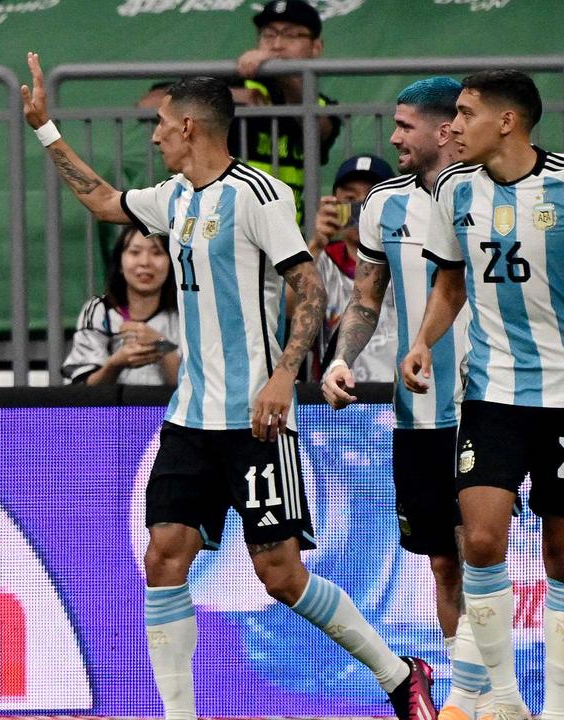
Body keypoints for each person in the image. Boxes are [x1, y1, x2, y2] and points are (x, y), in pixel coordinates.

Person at [21, 52, 436, 720]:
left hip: (256, 419)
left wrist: (280, 376)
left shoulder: (258, 194)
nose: (152, 137)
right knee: (164, 558)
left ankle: (396, 674)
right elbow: (102, 200)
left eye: (161, 124)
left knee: (280, 577)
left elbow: (305, 287)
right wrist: (45, 128)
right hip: (191, 419)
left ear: (191, 127)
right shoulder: (173, 198)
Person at [323, 77, 494, 720]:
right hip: (417, 410)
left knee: (486, 552)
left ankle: (493, 693)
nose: (392, 137)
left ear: (443, 126)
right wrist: (342, 357)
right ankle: (463, 695)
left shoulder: (496, 190)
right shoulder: (383, 207)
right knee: (444, 562)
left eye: (403, 126)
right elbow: (367, 297)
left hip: (494, 404)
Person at [401, 69, 564, 720]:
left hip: (562, 396)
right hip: (492, 394)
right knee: (483, 541)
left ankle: (556, 705)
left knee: (560, 554)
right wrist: (421, 342)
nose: (453, 127)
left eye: (465, 114)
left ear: (508, 121)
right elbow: (451, 284)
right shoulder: (455, 192)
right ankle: (501, 701)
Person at [234, 0, 341, 221]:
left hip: (291, 233)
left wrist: (278, 67)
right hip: (234, 227)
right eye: (268, 35)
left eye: (291, 35)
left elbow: (320, 130)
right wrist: (228, 97)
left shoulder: (320, 105)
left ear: (316, 47)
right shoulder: (234, 84)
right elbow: (151, 103)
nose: (277, 44)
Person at [308, 154, 398, 380]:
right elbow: (289, 309)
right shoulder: (325, 259)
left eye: (371, 199)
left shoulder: (406, 260)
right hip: (336, 399)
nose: (361, 210)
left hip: (397, 397)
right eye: (350, 199)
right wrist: (317, 243)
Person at [62, 225, 180, 385]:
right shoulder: (99, 310)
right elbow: (84, 391)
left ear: (172, 263)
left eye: (157, 252)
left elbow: (192, 391)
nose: (145, 262)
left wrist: (161, 344)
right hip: (112, 410)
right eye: (135, 252)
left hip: (166, 410)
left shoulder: (185, 313)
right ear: (119, 263)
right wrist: (116, 363)